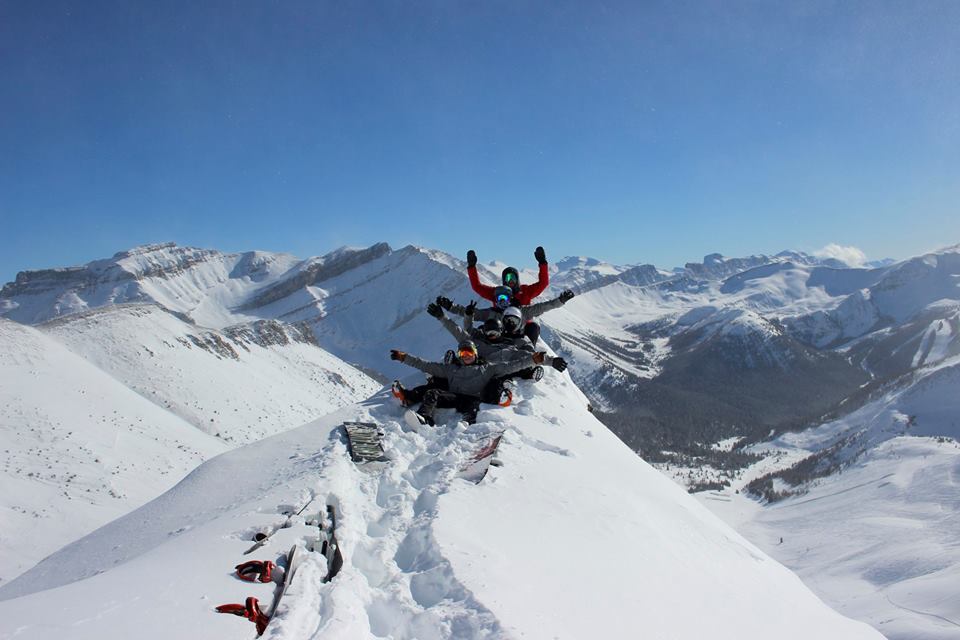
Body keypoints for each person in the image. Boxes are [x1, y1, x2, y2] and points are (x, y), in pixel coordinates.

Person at [390, 340, 567, 426]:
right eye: (462, 355)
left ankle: (470, 429)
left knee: (472, 411)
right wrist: (404, 358)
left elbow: (513, 365)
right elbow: (425, 364)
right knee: (432, 393)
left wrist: (533, 360)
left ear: (475, 354)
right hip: (453, 397)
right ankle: (424, 418)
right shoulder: (451, 369)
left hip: (473, 399)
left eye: (469, 354)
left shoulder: (488, 368)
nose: (466, 358)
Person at [466, 246, 550, 307]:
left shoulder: (525, 292)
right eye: (507, 278)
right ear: (504, 280)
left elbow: (543, 283)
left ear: (517, 279)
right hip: (502, 327)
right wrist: (471, 267)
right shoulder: (497, 292)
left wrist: (542, 263)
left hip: (523, 327)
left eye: (512, 278)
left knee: (533, 328)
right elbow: (477, 286)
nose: (510, 281)